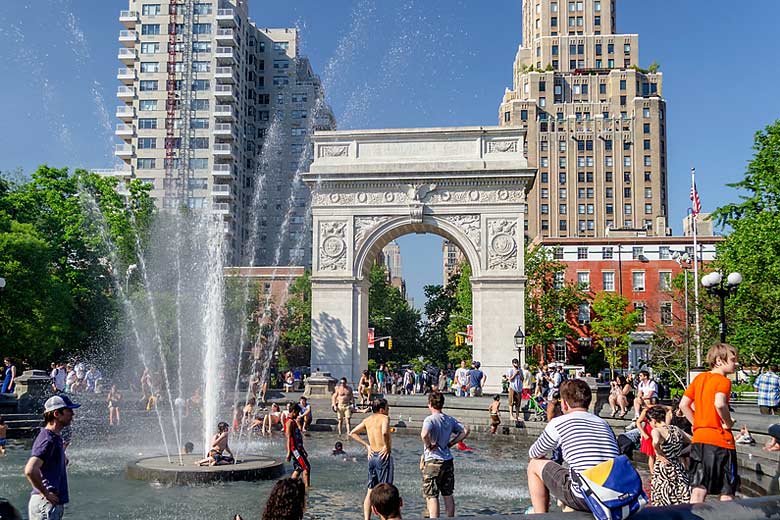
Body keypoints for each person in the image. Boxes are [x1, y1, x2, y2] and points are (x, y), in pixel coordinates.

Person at [527, 379, 619, 514]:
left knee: (534, 465)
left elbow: (534, 452)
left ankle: (539, 515)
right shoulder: (603, 423)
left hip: (585, 496)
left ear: (564, 404)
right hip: (615, 492)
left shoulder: (559, 422)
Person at [679, 342, 740, 503]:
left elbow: (683, 404)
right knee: (727, 491)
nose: (737, 363)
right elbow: (719, 403)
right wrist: (728, 422)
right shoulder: (723, 381)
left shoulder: (699, 379)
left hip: (699, 439)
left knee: (698, 488)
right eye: (733, 360)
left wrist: (696, 422)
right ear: (719, 360)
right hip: (721, 441)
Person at [24, 394, 80, 520]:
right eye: (69, 411)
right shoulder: (47, 439)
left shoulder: (55, 438)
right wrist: (46, 493)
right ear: (56, 414)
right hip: (46, 504)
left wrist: (62, 457)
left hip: (49, 504)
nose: (72, 414)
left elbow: (49, 466)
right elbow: (30, 470)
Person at [420, 392, 469, 518]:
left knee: (432, 495)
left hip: (433, 460)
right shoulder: (449, 419)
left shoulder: (430, 419)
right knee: (447, 494)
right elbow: (465, 431)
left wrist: (429, 445)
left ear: (430, 404)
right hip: (447, 460)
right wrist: (452, 443)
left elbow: (424, 434)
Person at [349, 397, 394, 520]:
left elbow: (352, 433)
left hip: (372, 456)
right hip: (382, 456)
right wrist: (387, 447)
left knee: (370, 490)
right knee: (385, 491)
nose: (388, 410)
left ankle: (366, 518)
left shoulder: (367, 419)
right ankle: (384, 518)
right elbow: (385, 432)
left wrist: (367, 446)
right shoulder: (384, 418)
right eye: (387, 407)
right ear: (381, 409)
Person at [647, 405, 691, 506]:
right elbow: (694, 441)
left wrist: (658, 453)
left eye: (649, 422)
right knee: (680, 497)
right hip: (678, 467)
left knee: (663, 499)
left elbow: (656, 441)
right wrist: (681, 452)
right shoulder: (676, 429)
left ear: (653, 420)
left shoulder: (656, 430)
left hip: (664, 468)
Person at [285, 403, 310, 488]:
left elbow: (298, 437)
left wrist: (303, 449)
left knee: (299, 468)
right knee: (306, 467)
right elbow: (289, 437)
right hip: (294, 449)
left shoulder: (293, 421)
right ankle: (307, 487)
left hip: (298, 448)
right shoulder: (289, 422)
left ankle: (290, 486)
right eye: (297, 412)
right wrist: (289, 452)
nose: (298, 414)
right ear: (293, 411)